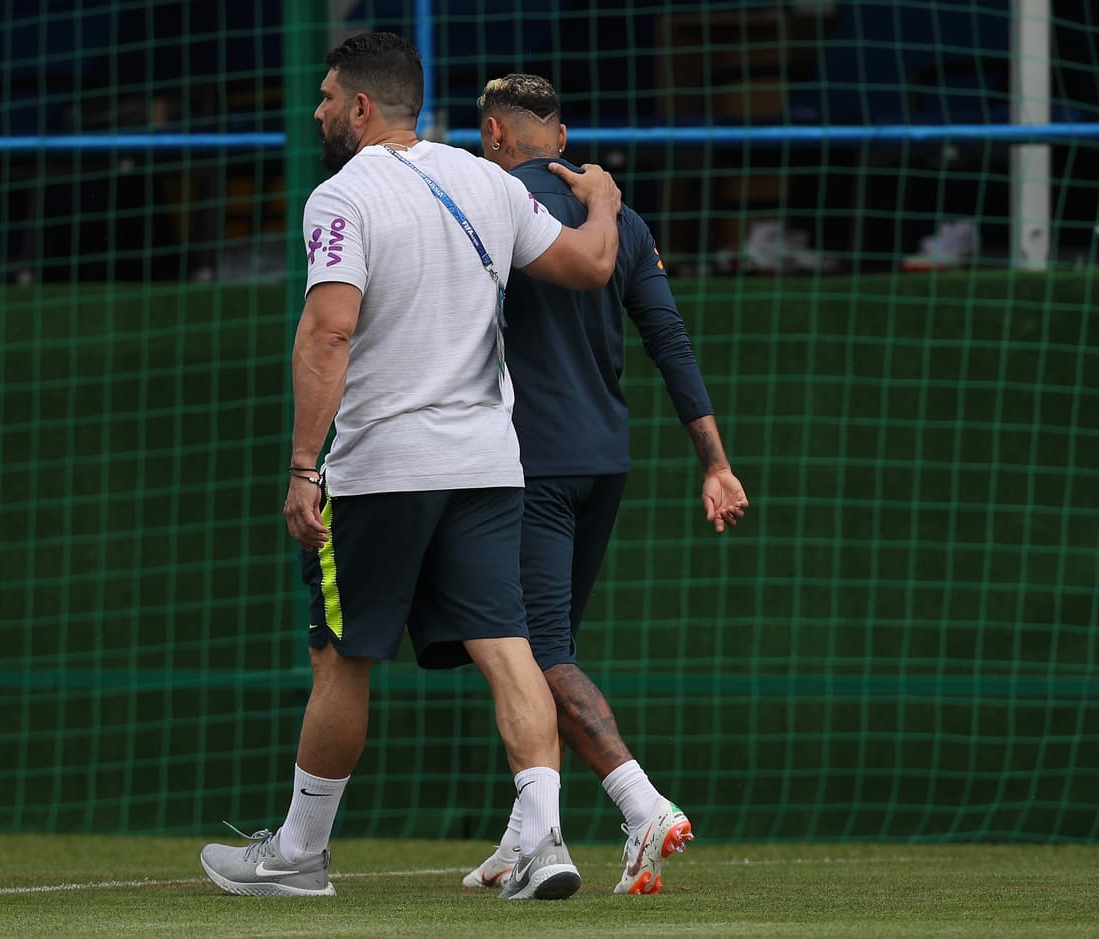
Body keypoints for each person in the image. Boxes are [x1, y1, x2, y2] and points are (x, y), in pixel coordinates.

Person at [199, 35, 624, 901]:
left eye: (325, 97)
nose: (317, 110)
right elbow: (591, 263)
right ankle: (544, 843)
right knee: (510, 649)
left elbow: (327, 333)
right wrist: (605, 198)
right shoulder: (487, 181)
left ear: (362, 107)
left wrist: (302, 466)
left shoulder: (341, 196)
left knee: (341, 657)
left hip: (381, 468)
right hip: (486, 463)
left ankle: (300, 856)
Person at [461, 74, 750, 896]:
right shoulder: (613, 216)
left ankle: (641, 802)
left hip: (523, 467)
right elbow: (669, 339)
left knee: (535, 652)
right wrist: (715, 462)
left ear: (493, 133)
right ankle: (523, 838)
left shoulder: (487, 204)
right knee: (538, 651)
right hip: (603, 465)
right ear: (559, 133)